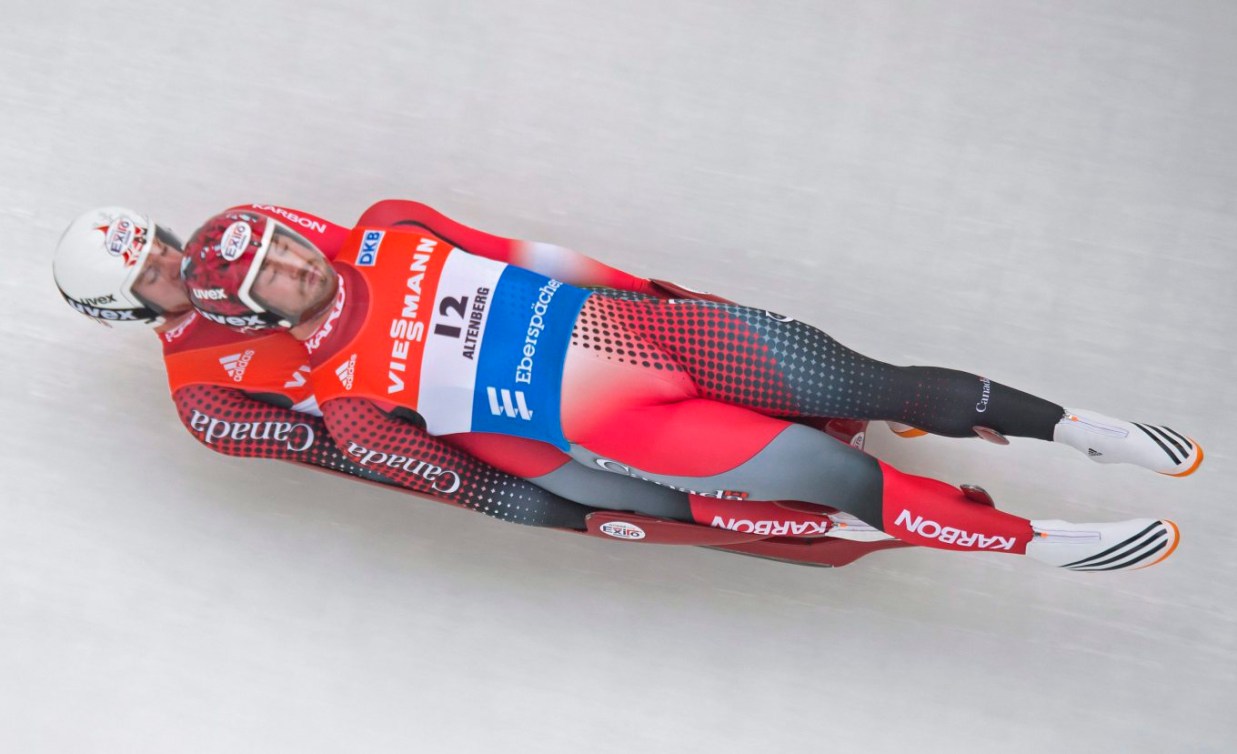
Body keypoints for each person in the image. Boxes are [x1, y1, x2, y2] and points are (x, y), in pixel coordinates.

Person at [182, 201, 1201, 572]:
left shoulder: (394, 231)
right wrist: (587, 513)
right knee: (826, 470)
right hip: (625, 429)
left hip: (669, 340)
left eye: (283, 245)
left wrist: (671, 301)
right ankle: (1041, 545)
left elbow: (547, 257)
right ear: (254, 316)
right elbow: (474, 480)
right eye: (271, 274)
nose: (295, 266)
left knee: (863, 376)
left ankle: (1078, 429)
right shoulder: (348, 397)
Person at [54, 205, 871, 550]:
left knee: (640, 357)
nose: (170, 261)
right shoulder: (203, 400)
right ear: (126, 312)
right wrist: (482, 488)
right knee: (591, 475)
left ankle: (805, 396)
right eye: (151, 275)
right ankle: (747, 517)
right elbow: (339, 450)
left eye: (160, 242)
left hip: (455, 338)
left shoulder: (234, 238)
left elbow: (353, 264)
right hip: (434, 419)